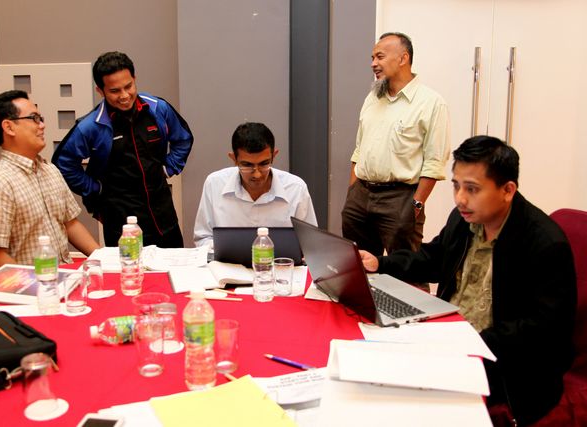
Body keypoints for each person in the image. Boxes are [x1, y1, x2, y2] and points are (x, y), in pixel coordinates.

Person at [360, 136, 576, 425]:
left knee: (401, 401)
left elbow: (543, 329)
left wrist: (467, 342)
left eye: (472, 189)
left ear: (507, 190)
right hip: (450, 338)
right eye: (456, 186)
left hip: (505, 366)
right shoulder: (464, 219)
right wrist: (381, 263)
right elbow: (434, 258)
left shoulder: (545, 243)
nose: (460, 198)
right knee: (373, 369)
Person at [53, 51, 193, 247]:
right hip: (120, 220)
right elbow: (63, 164)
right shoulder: (90, 126)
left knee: (174, 265)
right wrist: (95, 188)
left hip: (163, 213)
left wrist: (168, 168)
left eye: (128, 86)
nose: (124, 96)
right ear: (100, 91)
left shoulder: (158, 108)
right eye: (115, 91)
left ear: (134, 79)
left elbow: (183, 139)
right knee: (128, 267)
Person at [342, 32, 450, 256]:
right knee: (358, 265)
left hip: (400, 198)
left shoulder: (431, 103)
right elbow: (359, 150)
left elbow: (434, 162)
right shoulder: (373, 98)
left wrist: (417, 204)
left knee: (404, 268)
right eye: (372, 58)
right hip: (360, 195)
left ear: (403, 58)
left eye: (380, 57)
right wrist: (352, 192)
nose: (373, 64)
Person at [0, 90, 100, 272]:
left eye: (41, 118)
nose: (42, 125)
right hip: (26, 285)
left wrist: (103, 259)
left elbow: (70, 224)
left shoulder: (50, 170)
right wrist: (35, 283)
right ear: (9, 127)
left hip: (63, 278)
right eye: (34, 118)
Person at [193, 122, 317, 248]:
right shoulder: (214, 184)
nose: (257, 174)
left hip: (280, 261)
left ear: (274, 156)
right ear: (234, 159)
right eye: (247, 165)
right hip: (228, 261)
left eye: (264, 164)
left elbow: (311, 243)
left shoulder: (296, 188)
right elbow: (203, 237)